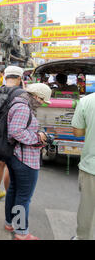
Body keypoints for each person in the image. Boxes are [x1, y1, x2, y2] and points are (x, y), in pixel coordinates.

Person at [4, 83, 52, 240]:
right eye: (43, 101)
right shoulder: (23, 107)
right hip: (24, 158)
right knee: (23, 196)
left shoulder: (19, 103)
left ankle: (10, 222)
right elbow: (16, 131)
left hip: (15, 155)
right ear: (37, 97)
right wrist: (38, 138)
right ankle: (21, 231)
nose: (43, 104)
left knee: (14, 190)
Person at [0, 66, 24, 201]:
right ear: (19, 78)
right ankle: (9, 195)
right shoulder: (21, 93)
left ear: (5, 76)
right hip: (12, 135)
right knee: (10, 165)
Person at [71, 92, 95, 240]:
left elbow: (77, 132)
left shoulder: (87, 101)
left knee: (88, 209)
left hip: (92, 166)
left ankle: (83, 237)